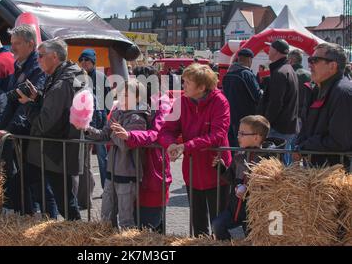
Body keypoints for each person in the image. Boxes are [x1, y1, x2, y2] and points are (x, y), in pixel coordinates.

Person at [158, 63, 231, 237]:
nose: (183, 86)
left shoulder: (220, 101)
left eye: (187, 83)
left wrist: (186, 146)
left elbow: (218, 135)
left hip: (216, 170)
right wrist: (170, 145)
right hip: (192, 171)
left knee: (219, 223)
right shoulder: (182, 101)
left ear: (201, 87)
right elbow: (167, 129)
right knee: (198, 224)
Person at [18, 39, 86, 220]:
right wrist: (39, 97)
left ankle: (75, 237)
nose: (38, 59)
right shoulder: (67, 75)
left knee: (65, 202)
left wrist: (28, 104)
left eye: (41, 56)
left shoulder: (62, 83)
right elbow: (58, 108)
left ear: (54, 57)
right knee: (63, 198)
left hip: (56, 151)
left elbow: (44, 123)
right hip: (58, 149)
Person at [0, 24, 46, 214]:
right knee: (23, 184)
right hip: (20, 132)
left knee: (38, 186)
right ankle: (29, 218)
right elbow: (12, 97)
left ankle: (43, 222)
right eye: (11, 43)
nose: (12, 48)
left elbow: (27, 98)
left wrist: (10, 129)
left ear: (31, 44)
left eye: (17, 43)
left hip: (30, 131)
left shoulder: (37, 66)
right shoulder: (19, 65)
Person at [111, 66, 172, 232]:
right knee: (135, 219)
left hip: (152, 165)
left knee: (150, 222)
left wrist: (130, 136)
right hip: (130, 165)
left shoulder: (161, 102)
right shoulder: (131, 101)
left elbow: (157, 132)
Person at [86, 79, 149, 228]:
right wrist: (87, 128)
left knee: (126, 220)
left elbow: (125, 144)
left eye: (126, 95)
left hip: (128, 174)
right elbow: (104, 134)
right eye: (120, 94)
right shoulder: (117, 113)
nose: (121, 97)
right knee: (106, 217)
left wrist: (114, 133)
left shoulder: (138, 117)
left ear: (138, 97)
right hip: (111, 172)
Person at [211, 115, 285, 240]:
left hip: (255, 213)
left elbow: (270, 185)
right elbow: (232, 178)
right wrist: (221, 168)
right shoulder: (239, 155)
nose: (238, 136)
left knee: (251, 237)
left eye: (242, 133)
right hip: (235, 210)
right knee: (218, 225)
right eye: (238, 132)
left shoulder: (269, 158)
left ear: (256, 137)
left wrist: (248, 188)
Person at [294, 43, 352, 168]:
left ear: (332, 66)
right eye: (310, 60)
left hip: (335, 177)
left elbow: (340, 141)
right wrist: (300, 143)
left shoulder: (343, 93)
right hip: (315, 171)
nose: (309, 65)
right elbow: (307, 126)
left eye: (315, 60)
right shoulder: (316, 89)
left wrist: (305, 146)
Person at [258, 39, 298, 165]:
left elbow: (275, 104)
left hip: (279, 128)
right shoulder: (288, 69)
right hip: (288, 125)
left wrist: (265, 124)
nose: (268, 51)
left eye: (270, 49)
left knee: (280, 167)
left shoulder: (280, 72)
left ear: (275, 51)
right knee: (285, 164)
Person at [78, 48, 111, 190]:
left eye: (87, 60)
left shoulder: (100, 77)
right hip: (83, 125)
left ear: (93, 61)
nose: (84, 62)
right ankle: (85, 193)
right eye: (81, 60)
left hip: (99, 125)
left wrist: (104, 117)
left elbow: (108, 100)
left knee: (103, 159)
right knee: (84, 161)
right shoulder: (78, 77)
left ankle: (106, 189)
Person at [222, 48, 262, 147]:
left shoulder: (228, 75)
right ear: (249, 59)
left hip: (230, 116)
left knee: (232, 147)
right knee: (244, 148)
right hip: (245, 118)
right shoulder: (246, 74)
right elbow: (257, 96)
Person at [288, 49, 311, 123]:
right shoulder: (311, 75)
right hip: (307, 115)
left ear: (290, 61)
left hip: (291, 115)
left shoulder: (288, 75)